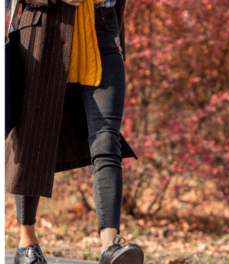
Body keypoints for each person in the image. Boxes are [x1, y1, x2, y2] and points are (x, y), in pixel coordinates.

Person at [5, 0, 144, 262]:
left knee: (106, 141)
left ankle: (109, 247)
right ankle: (27, 243)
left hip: (103, 29)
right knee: (33, 136)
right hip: (46, 32)